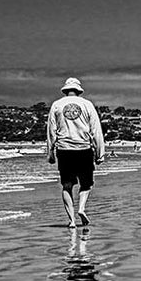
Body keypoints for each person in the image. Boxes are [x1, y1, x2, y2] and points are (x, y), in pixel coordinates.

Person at [45, 76, 105, 228]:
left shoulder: (57, 105)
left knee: (67, 185)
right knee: (86, 185)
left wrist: (50, 152)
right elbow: (96, 130)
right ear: (79, 91)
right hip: (83, 149)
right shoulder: (87, 104)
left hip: (64, 150)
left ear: (65, 90)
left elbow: (51, 130)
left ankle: (72, 220)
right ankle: (81, 208)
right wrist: (100, 153)